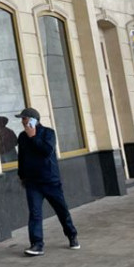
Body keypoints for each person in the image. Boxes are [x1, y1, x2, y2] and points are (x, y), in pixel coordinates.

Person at [16, 107, 79, 256]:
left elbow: (47, 151)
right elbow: (22, 157)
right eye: (22, 119)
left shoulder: (48, 133)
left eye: (24, 119)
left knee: (61, 210)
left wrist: (33, 137)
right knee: (35, 214)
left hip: (50, 181)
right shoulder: (22, 136)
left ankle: (72, 235)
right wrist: (22, 175)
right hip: (32, 183)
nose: (22, 122)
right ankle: (37, 244)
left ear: (33, 120)